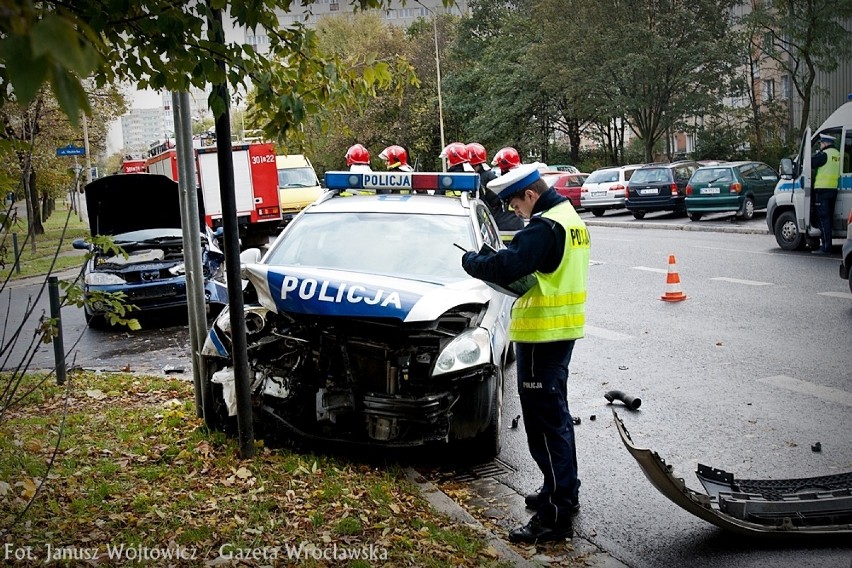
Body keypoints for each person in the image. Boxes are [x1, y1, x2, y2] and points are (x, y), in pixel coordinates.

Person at [460, 162, 590, 544]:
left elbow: (509, 264)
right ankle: (562, 491)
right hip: (561, 334)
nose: (515, 213)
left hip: (542, 337)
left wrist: (472, 262)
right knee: (557, 418)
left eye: (516, 206)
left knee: (544, 428)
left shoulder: (544, 227)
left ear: (530, 195)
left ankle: (554, 518)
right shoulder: (567, 217)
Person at [466, 142, 524, 231]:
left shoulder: (486, 179)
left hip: (502, 227)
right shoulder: (519, 180)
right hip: (517, 226)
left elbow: (491, 202)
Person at [811, 133, 840, 255]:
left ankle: (826, 247)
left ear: (825, 143)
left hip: (822, 190)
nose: (821, 145)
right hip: (833, 189)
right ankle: (827, 244)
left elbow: (811, 163)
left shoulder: (824, 155)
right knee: (828, 218)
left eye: (821, 143)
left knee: (823, 219)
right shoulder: (837, 154)